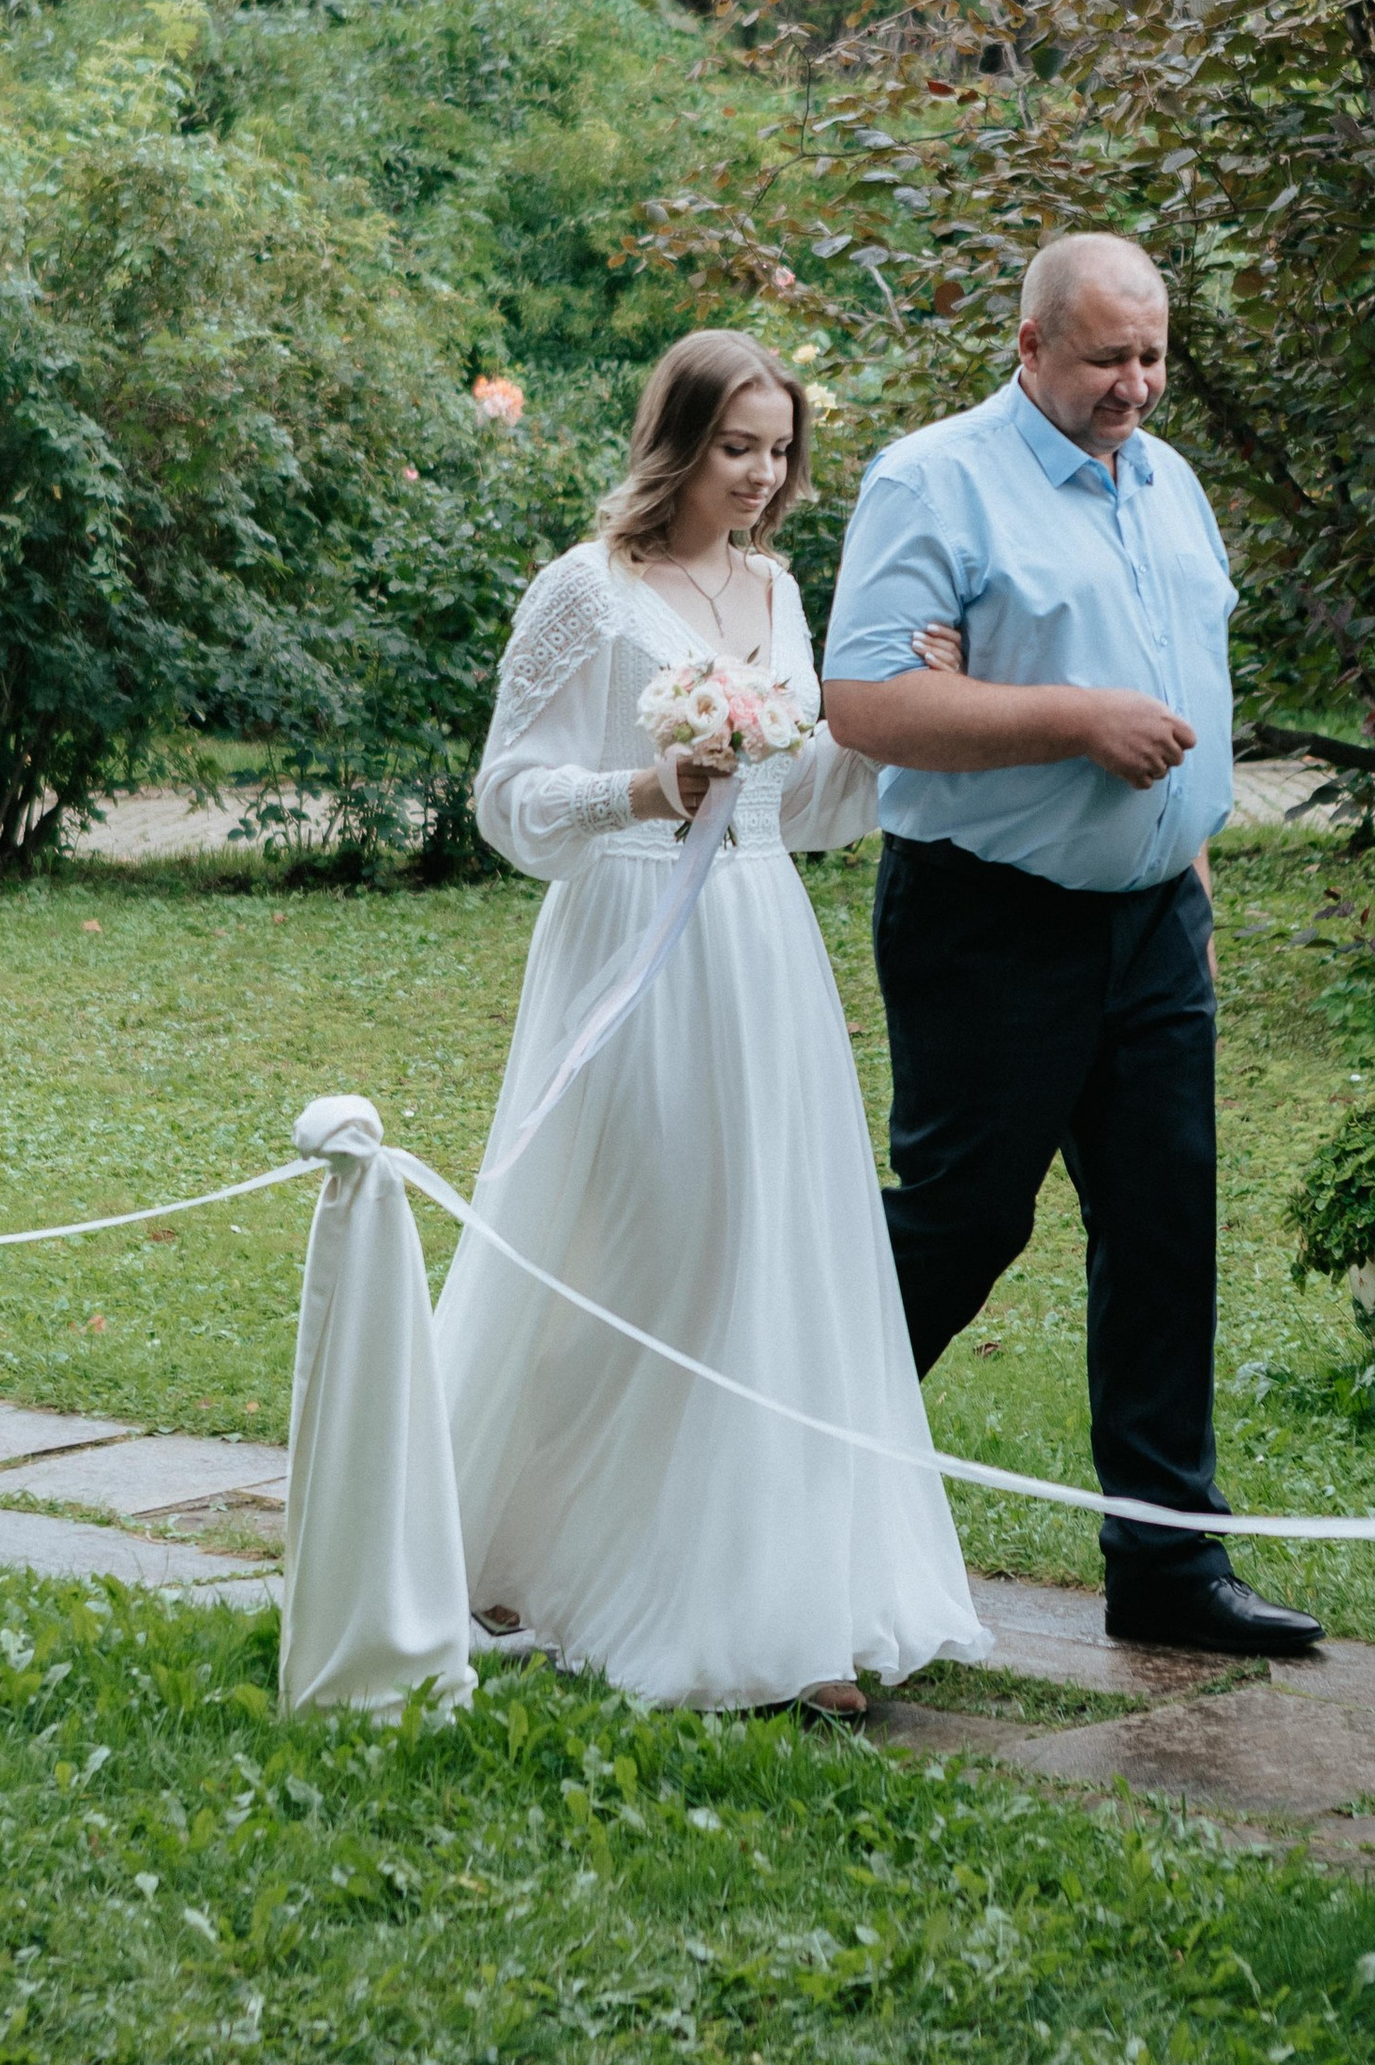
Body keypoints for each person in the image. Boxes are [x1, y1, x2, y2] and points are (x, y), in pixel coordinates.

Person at [439, 328, 985, 1714]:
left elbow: (800, 805)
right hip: (630, 937)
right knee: (640, 1235)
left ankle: (770, 1601)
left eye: (780, 451)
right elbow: (504, 798)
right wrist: (640, 790)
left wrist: (897, 718)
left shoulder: (780, 590)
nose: (761, 475)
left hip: (758, 947)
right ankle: (528, 1543)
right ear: (676, 442)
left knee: (761, 1246)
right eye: (737, 447)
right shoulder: (588, 589)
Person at [821, 233, 1321, 1659]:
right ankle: (779, 1475)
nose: (1136, 386)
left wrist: (1190, 880)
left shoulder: (1168, 481)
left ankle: (1167, 1569)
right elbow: (864, 701)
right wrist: (1074, 719)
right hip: (990, 919)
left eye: (1154, 357)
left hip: (1155, 922)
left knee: (1164, 1228)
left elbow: (1189, 691)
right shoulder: (933, 481)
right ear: (1030, 344)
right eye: (1108, 358)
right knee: (966, 1220)